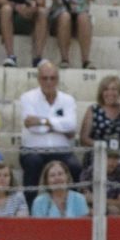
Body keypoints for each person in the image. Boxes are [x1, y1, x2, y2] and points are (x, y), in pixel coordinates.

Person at [18, 60, 78, 198]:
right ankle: (30, 209)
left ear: (58, 79)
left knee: (75, 166)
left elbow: (72, 125)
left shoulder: (68, 100)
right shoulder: (27, 98)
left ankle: (75, 210)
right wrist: (60, 127)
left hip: (61, 150)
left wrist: (43, 121)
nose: (49, 82)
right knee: (33, 163)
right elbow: (33, 128)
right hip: (33, 150)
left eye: (53, 78)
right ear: (39, 79)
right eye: (45, 78)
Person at [80, 74, 120, 151]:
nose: (110, 93)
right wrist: (103, 146)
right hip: (99, 153)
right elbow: (83, 139)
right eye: (106, 89)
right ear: (101, 92)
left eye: (114, 89)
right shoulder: (93, 109)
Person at [79, 144, 120, 214]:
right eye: (109, 157)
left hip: (110, 209)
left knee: (114, 211)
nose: (112, 162)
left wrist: (95, 199)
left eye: (116, 158)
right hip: (91, 209)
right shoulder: (88, 172)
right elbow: (84, 199)